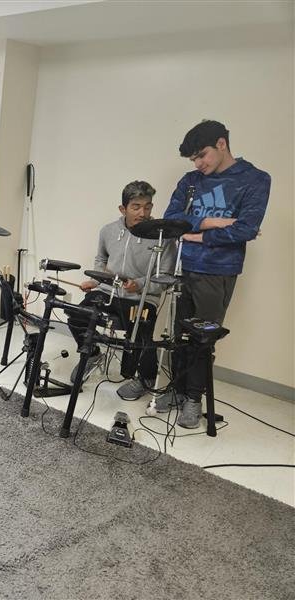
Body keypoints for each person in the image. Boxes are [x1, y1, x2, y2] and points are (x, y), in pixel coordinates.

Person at [161, 120, 270, 428]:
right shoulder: (191, 180)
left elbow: (246, 229)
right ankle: (176, 389)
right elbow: (171, 220)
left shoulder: (255, 179)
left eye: (202, 155)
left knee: (202, 339)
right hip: (184, 268)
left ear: (222, 144)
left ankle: (194, 399)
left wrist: (194, 234)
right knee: (177, 336)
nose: (198, 163)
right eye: (193, 159)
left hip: (218, 271)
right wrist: (211, 223)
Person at [67, 180, 175, 400]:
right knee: (76, 315)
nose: (143, 213)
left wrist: (140, 284)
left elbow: (165, 276)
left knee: (141, 335)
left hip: (142, 297)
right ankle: (92, 354)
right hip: (109, 290)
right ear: (123, 208)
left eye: (148, 206)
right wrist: (96, 281)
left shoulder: (163, 237)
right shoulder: (108, 231)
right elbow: (101, 259)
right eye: (136, 206)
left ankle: (145, 379)